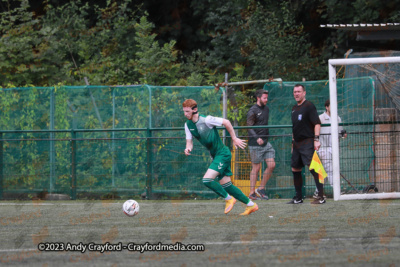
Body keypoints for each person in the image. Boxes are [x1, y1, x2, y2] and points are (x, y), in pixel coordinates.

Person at [182, 99, 258, 215]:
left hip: (222, 154)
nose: (185, 114)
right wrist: (188, 148)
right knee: (227, 186)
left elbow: (226, 122)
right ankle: (251, 205)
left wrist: (234, 138)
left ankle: (229, 199)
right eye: (184, 111)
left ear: (195, 110)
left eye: (187, 111)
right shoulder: (187, 125)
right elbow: (189, 142)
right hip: (215, 155)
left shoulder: (206, 120)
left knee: (207, 180)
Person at [288, 84, 325, 204]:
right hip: (297, 144)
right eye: (294, 92)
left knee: (314, 168)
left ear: (304, 93)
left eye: (299, 91)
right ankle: (298, 198)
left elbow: (317, 123)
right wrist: (293, 144)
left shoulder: (309, 106)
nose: (296, 94)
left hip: (307, 142)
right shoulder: (294, 108)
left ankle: (321, 197)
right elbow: (294, 128)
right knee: (295, 168)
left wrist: (316, 139)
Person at [313, 99, 347, 198]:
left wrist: (343, 134)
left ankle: (317, 192)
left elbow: (340, 133)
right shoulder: (320, 118)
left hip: (335, 149)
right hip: (323, 148)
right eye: (331, 106)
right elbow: (315, 131)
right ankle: (337, 190)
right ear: (326, 107)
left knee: (326, 172)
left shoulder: (337, 118)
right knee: (331, 170)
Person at [246, 89, 276, 200]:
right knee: (256, 167)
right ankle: (252, 193)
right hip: (255, 144)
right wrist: (257, 138)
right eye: (264, 98)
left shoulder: (266, 109)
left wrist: (264, 138)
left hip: (266, 143)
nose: (266, 100)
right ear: (258, 98)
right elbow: (248, 127)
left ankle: (261, 188)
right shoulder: (252, 111)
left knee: (272, 165)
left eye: (267, 98)